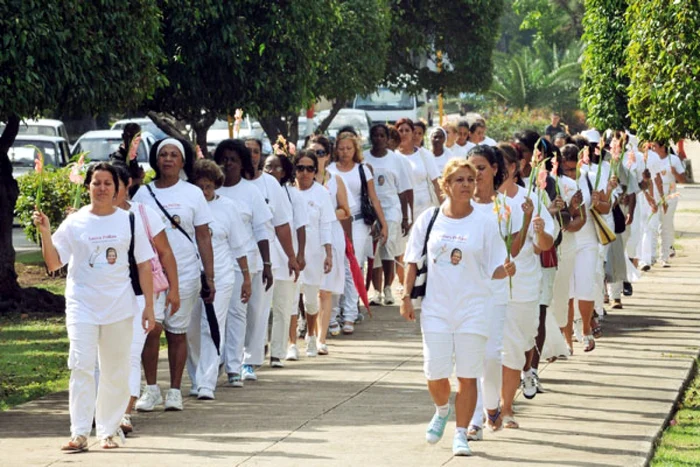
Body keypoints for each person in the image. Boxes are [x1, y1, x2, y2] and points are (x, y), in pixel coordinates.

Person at [34, 162, 155, 451]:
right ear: (87, 186)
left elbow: (144, 266)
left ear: (117, 189)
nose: (101, 188)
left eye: (107, 184)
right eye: (96, 183)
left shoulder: (129, 220)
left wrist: (149, 306)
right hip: (82, 306)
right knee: (81, 366)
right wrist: (46, 232)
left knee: (115, 370)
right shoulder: (75, 222)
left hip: (119, 306)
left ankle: (108, 431)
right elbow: (53, 263)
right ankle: (79, 432)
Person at [401, 158, 515, 457]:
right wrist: (405, 296)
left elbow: (495, 267)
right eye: (459, 180)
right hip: (436, 308)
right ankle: (441, 410)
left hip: (474, 309)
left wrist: (506, 269)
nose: (466, 184)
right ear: (446, 185)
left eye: (470, 179)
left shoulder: (485, 222)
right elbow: (412, 259)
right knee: (435, 374)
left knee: (467, 374)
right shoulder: (429, 219)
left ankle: (461, 432)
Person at [133, 138, 215, 412]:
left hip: (187, 272)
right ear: (156, 160)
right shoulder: (143, 194)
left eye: (174, 155)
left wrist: (210, 276)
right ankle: (152, 388)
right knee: (152, 329)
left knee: (177, 331)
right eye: (163, 155)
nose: (168, 159)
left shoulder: (193, 193)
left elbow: (203, 237)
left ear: (182, 162)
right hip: (152, 274)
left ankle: (175, 390)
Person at [109, 164, 179, 434]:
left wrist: (174, 289)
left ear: (126, 185)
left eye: (113, 184)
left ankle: (125, 412)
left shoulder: (143, 213)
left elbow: (165, 253)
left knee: (130, 351)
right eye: (99, 183)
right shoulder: (89, 217)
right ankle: (104, 407)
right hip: (105, 297)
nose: (107, 190)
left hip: (141, 293)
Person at [497, 142, 555, 428]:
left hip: (523, 288)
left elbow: (544, 245)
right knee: (496, 350)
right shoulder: (479, 201)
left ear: (514, 168)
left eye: (499, 165)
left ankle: (505, 406)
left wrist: (540, 229)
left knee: (518, 346)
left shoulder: (531, 198)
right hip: (490, 288)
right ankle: (501, 408)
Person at [188, 159, 252, 400]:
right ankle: (195, 378)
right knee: (191, 330)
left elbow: (239, 244)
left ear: (216, 186)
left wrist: (246, 277)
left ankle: (207, 382)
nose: (205, 192)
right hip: (190, 274)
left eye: (209, 186)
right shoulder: (189, 205)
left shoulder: (228, 207)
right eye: (200, 186)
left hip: (222, 275)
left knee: (211, 325)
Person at [214, 139, 273, 387]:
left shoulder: (252, 192)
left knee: (239, 313)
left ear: (242, 163)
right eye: (224, 159)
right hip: (214, 262)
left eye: (233, 160)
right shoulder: (207, 190)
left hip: (244, 262)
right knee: (216, 316)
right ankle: (214, 361)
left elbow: (261, 230)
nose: (228, 164)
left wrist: (267, 264)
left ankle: (234, 367)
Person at [244, 138, 300, 378]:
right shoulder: (225, 183)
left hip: (264, 257)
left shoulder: (270, 185)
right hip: (232, 258)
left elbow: (282, 224)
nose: (252, 156)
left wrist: (292, 256)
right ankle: (227, 359)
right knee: (236, 312)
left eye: (256, 152)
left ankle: (250, 361)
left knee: (259, 310)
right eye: (247, 152)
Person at [465, 144, 508, 438]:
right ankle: (474, 420)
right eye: (471, 168)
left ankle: (492, 405)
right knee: (470, 357)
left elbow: (517, 247)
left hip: (496, 290)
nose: (476, 175)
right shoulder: (457, 207)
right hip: (464, 293)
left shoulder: (506, 206)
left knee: (492, 355)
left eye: (481, 167)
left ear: (494, 169)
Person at [328, 133, 388, 334]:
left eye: (349, 149)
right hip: (335, 221)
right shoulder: (329, 171)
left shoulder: (363, 170)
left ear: (355, 150)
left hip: (359, 221)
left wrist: (383, 223)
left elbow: (374, 198)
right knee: (337, 266)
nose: (345, 152)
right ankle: (334, 312)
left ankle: (350, 314)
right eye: (341, 148)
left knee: (353, 266)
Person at [262, 152, 308, 365]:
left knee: (282, 306)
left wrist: (298, 255)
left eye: (276, 167)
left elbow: (300, 227)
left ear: (285, 171)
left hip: (285, 257)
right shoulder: (257, 189)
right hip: (263, 258)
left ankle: (277, 352)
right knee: (260, 308)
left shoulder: (293, 194)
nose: (271, 171)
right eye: (267, 167)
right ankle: (258, 347)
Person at [308, 135, 351, 346]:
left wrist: (326, 214)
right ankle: (307, 330)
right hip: (307, 235)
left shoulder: (335, 180)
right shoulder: (300, 179)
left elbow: (346, 210)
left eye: (320, 153)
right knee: (308, 288)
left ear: (328, 156)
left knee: (324, 290)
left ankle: (320, 338)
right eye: (313, 152)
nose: (316, 157)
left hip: (331, 235)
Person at [363, 124, 412, 306]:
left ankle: (388, 288)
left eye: (382, 135)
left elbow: (403, 190)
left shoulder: (396, 160)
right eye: (375, 135)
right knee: (374, 250)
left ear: (387, 138)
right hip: (370, 209)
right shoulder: (365, 158)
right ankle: (376, 291)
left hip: (392, 209)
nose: (379, 139)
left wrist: (406, 217)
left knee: (388, 247)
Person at [294, 150, 336, 355]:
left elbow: (326, 225)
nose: (304, 173)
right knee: (290, 300)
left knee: (310, 300)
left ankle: (311, 335)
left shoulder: (321, 193)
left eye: (309, 168)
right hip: (289, 252)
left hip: (314, 252)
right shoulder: (286, 191)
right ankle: (291, 344)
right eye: (300, 168)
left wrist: (328, 253)